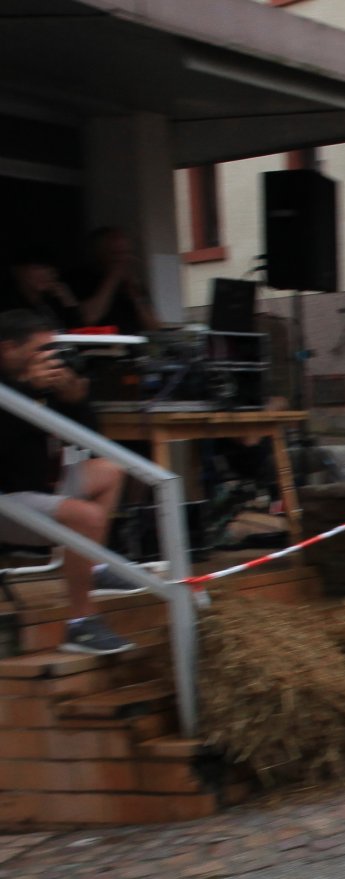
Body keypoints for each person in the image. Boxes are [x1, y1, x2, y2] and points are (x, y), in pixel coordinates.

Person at [0, 310, 134, 655]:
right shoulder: (16, 387)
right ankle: (81, 623)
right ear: (8, 349)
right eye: (41, 350)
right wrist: (26, 390)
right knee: (86, 517)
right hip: (7, 499)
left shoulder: (39, 383)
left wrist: (75, 401)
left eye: (53, 349)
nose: (50, 358)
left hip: (40, 486)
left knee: (110, 469)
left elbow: (89, 442)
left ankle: (92, 566)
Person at [73, 227, 160, 334]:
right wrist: (113, 278)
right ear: (99, 253)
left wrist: (136, 295)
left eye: (127, 253)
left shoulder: (133, 284)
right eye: (116, 254)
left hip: (132, 341)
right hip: (100, 342)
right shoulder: (82, 279)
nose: (124, 259)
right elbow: (88, 318)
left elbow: (153, 327)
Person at [2, 253, 81, 329]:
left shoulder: (52, 302)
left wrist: (69, 304)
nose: (47, 274)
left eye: (51, 269)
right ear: (18, 271)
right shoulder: (8, 305)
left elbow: (74, 331)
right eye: (37, 268)